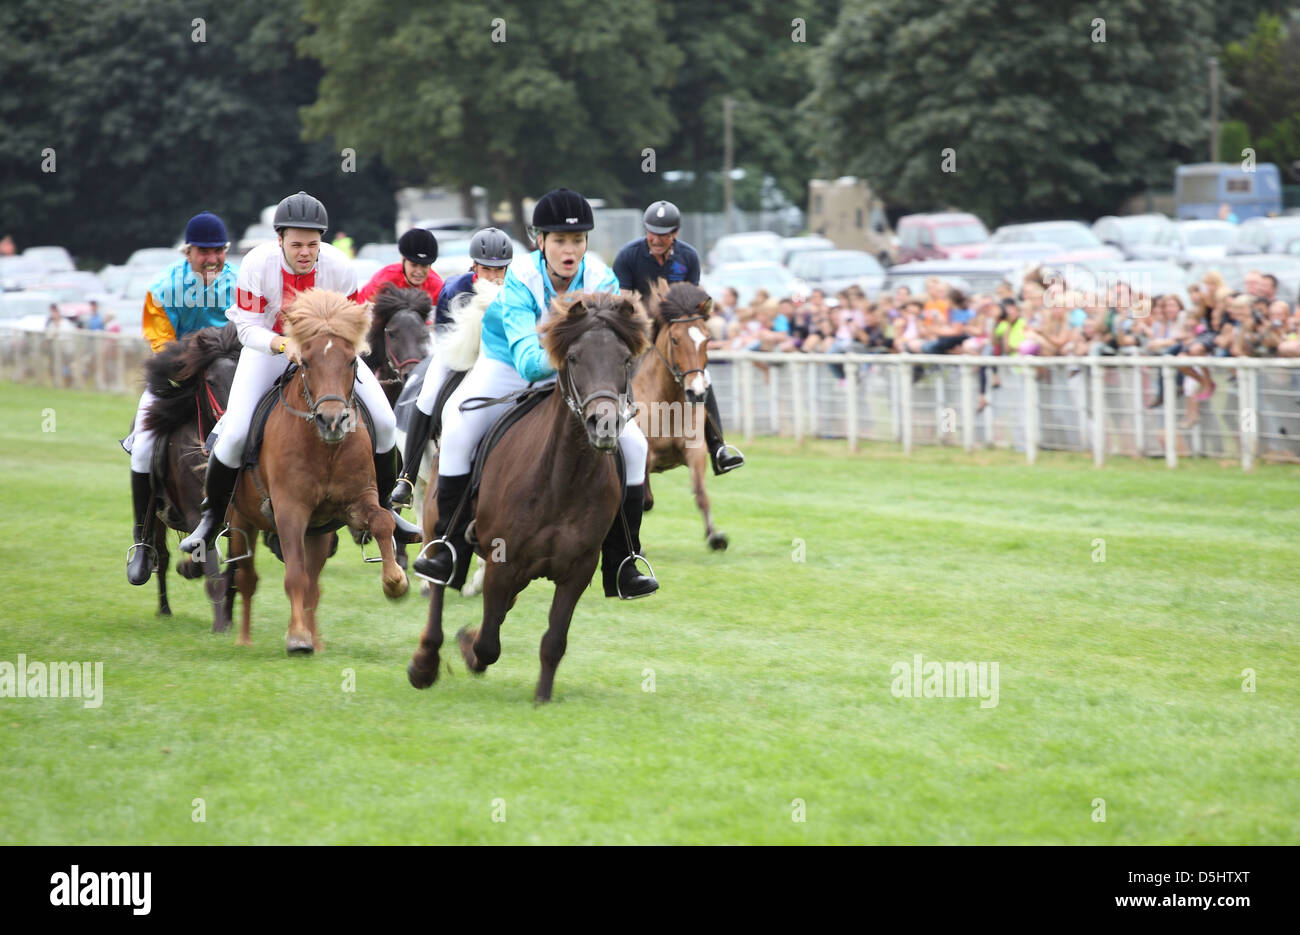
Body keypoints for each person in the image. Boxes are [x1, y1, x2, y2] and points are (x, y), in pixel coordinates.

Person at [413, 188, 657, 599]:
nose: (569, 249)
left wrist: (598, 365)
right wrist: (578, 355)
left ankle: (623, 560)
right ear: (539, 241)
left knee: (634, 445)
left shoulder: (602, 278)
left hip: (576, 372)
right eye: (559, 240)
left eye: (577, 240)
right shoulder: (520, 280)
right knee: (459, 423)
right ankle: (447, 547)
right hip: (507, 363)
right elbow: (528, 361)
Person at [179, 191, 420, 559]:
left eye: (312, 244)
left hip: (327, 359)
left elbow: (356, 324)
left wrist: (339, 352)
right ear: (280, 240)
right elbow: (245, 328)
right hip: (269, 351)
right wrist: (281, 345)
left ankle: (387, 506)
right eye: (296, 244)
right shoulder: (258, 263)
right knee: (236, 433)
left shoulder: (339, 266)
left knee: (386, 422)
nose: (305, 252)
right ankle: (211, 521)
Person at [125, 211, 239, 584]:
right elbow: (161, 345)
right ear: (187, 251)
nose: (212, 259)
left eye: (218, 251)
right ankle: (142, 541)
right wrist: (193, 363)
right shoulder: (163, 286)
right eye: (204, 251)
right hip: (178, 378)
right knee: (143, 443)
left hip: (227, 377)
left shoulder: (239, 284)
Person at [612, 200, 744, 475]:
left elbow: (692, 299)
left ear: (675, 234)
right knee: (615, 372)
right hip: (641, 330)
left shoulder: (689, 257)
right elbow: (623, 302)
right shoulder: (628, 256)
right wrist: (644, 327)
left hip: (677, 332)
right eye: (651, 232)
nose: (656, 239)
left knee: (701, 376)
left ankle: (718, 446)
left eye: (663, 234)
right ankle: (610, 435)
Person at [391, 227, 514, 507]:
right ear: (474, 265)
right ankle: (408, 477)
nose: (494, 277)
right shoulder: (455, 288)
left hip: (502, 359)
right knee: (428, 394)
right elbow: (446, 338)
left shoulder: (516, 290)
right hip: (459, 355)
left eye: (500, 270)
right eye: (487, 269)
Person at [356, 228, 443, 305]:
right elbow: (362, 311)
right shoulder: (384, 280)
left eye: (424, 266)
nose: (419, 271)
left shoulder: (437, 287)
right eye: (414, 265)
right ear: (403, 260)